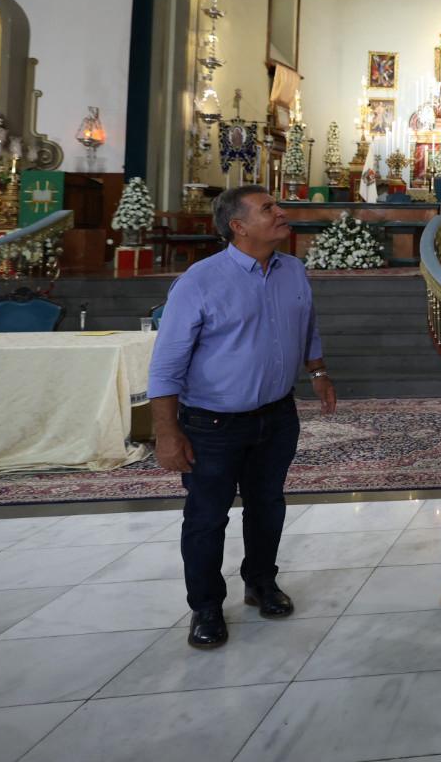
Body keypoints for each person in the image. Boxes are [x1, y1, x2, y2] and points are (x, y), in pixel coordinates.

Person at [147, 185, 337, 649]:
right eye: (268, 208)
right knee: (207, 517)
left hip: (276, 415)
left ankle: (261, 582)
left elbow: (306, 323)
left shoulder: (293, 270)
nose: (280, 212)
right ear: (238, 225)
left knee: (268, 505)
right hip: (212, 423)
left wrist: (318, 371)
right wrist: (166, 430)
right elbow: (167, 363)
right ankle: (206, 606)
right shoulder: (199, 281)